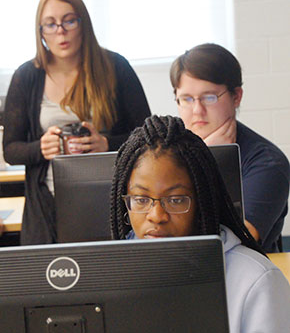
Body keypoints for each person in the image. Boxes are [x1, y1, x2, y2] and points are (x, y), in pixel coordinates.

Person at [110, 115, 290, 332]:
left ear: (201, 201)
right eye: (141, 200)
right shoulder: (109, 277)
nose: (156, 215)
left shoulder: (255, 280)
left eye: (176, 200)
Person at [3, 0, 151, 245]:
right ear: (40, 31)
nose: (60, 31)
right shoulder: (27, 75)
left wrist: (106, 144)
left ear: (83, 22)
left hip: (110, 197)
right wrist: (42, 147)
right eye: (50, 24)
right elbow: (11, 151)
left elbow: (149, 137)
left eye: (69, 20)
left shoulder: (115, 67)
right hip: (48, 201)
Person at [170, 43, 289, 253]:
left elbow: (237, 244)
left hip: (242, 278)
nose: (197, 110)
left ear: (236, 96)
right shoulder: (166, 150)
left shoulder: (268, 163)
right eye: (187, 99)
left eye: (209, 97)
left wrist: (211, 160)